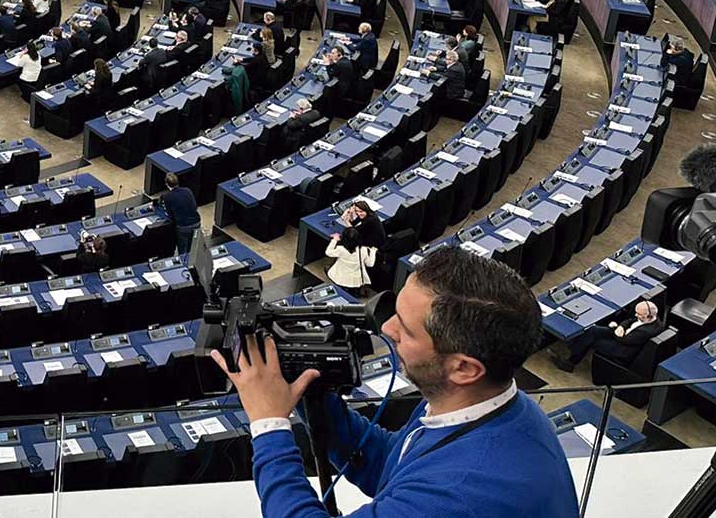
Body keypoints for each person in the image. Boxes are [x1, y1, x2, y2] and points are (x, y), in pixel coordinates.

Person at [216, 244, 575, 518]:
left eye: (405, 328)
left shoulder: (458, 493)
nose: (387, 330)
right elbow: (387, 465)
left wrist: (269, 424)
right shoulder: (473, 401)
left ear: (464, 368)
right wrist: (310, 388)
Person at [551, 300, 662, 371]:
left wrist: (615, 328)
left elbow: (624, 340)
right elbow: (630, 320)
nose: (636, 315)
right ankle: (574, 348)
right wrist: (621, 327)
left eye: (639, 314)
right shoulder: (648, 318)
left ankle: (570, 362)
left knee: (593, 340)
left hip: (622, 348)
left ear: (648, 316)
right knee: (594, 330)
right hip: (622, 334)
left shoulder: (647, 331)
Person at [325, 200, 386, 295]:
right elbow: (369, 263)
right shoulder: (363, 251)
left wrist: (335, 239)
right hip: (357, 278)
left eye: (361, 211)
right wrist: (350, 213)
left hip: (372, 242)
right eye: (357, 211)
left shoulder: (341, 249)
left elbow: (353, 230)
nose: (359, 213)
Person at [159, 173, 199, 254]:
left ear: (166, 184)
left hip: (183, 226)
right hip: (196, 223)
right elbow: (195, 206)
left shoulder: (167, 197)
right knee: (193, 247)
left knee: (183, 250)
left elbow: (170, 215)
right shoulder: (187, 190)